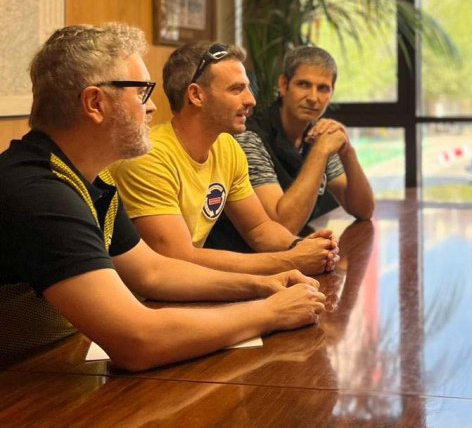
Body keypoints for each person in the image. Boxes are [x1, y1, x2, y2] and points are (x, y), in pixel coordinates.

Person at [0, 23, 326, 370]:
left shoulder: (90, 180)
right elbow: (137, 341)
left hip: (52, 366)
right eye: (142, 92)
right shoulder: (38, 191)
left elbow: (153, 271)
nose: (153, 108)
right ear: (95, 103)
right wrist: (270, 312)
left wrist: (262, 285)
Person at [108, 42, 338, 276]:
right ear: (197, 95)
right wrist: (291, 261)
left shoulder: (227, 147)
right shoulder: (148, 157)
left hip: (185, 287)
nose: (251, 100)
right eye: (237, 89)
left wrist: (302, 246)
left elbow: (259, 228)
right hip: (137, 299)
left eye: (248, 88)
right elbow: (177, 257)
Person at [206, 46, 374, 250]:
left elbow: (363, 210)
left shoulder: (318, 133)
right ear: (284, 85)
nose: (313, 97)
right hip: (241, 262)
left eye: (323, 88)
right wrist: (320, 152)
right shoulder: (249, 137)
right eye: (304, 85)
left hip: (291, 254)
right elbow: (282, 226)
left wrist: (347, 151)